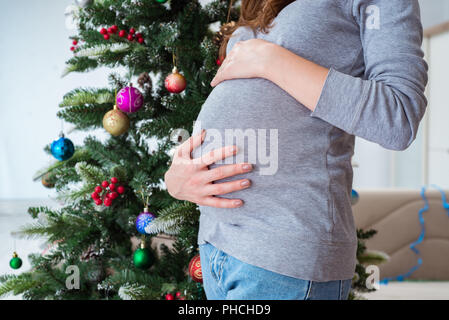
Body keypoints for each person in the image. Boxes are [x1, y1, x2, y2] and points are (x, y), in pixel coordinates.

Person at [164, 0, 428, 300]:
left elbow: (398, 118)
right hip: (217, 246)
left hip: (284, 256)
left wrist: (270, 59)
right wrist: (176, 178)